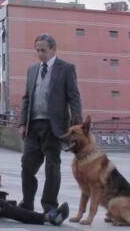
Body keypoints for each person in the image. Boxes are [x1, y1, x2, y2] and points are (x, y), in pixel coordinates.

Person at [18, 33, 82, 215]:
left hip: (55, 127)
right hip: (33, 125)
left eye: (43, 50)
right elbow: (26, 98)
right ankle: (27, 203)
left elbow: (74, 97)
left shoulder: (66, 69)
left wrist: (77, 125)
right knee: (27, 165)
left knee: (52, 166)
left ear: (53, 49)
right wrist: (22, 123)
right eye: (37, 50)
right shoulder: (32, 70)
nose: (40, 54)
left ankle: (49, 205)